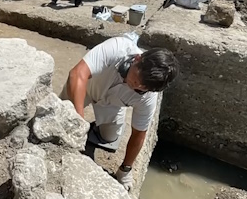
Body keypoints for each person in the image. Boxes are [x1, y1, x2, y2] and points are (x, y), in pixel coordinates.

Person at [61, 37, 179, 190]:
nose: (138, 86)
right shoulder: (117, 48)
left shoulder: (148, 96)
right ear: (137, 59)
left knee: (109, 138)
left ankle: (97, 127)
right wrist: (78, 120)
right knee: (62, 121)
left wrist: (126, 169)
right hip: (85, 87)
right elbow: (77, 74)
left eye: (144, 87)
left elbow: (139, 133)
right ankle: (82, 121)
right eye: (138, 79)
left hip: (112, 104)